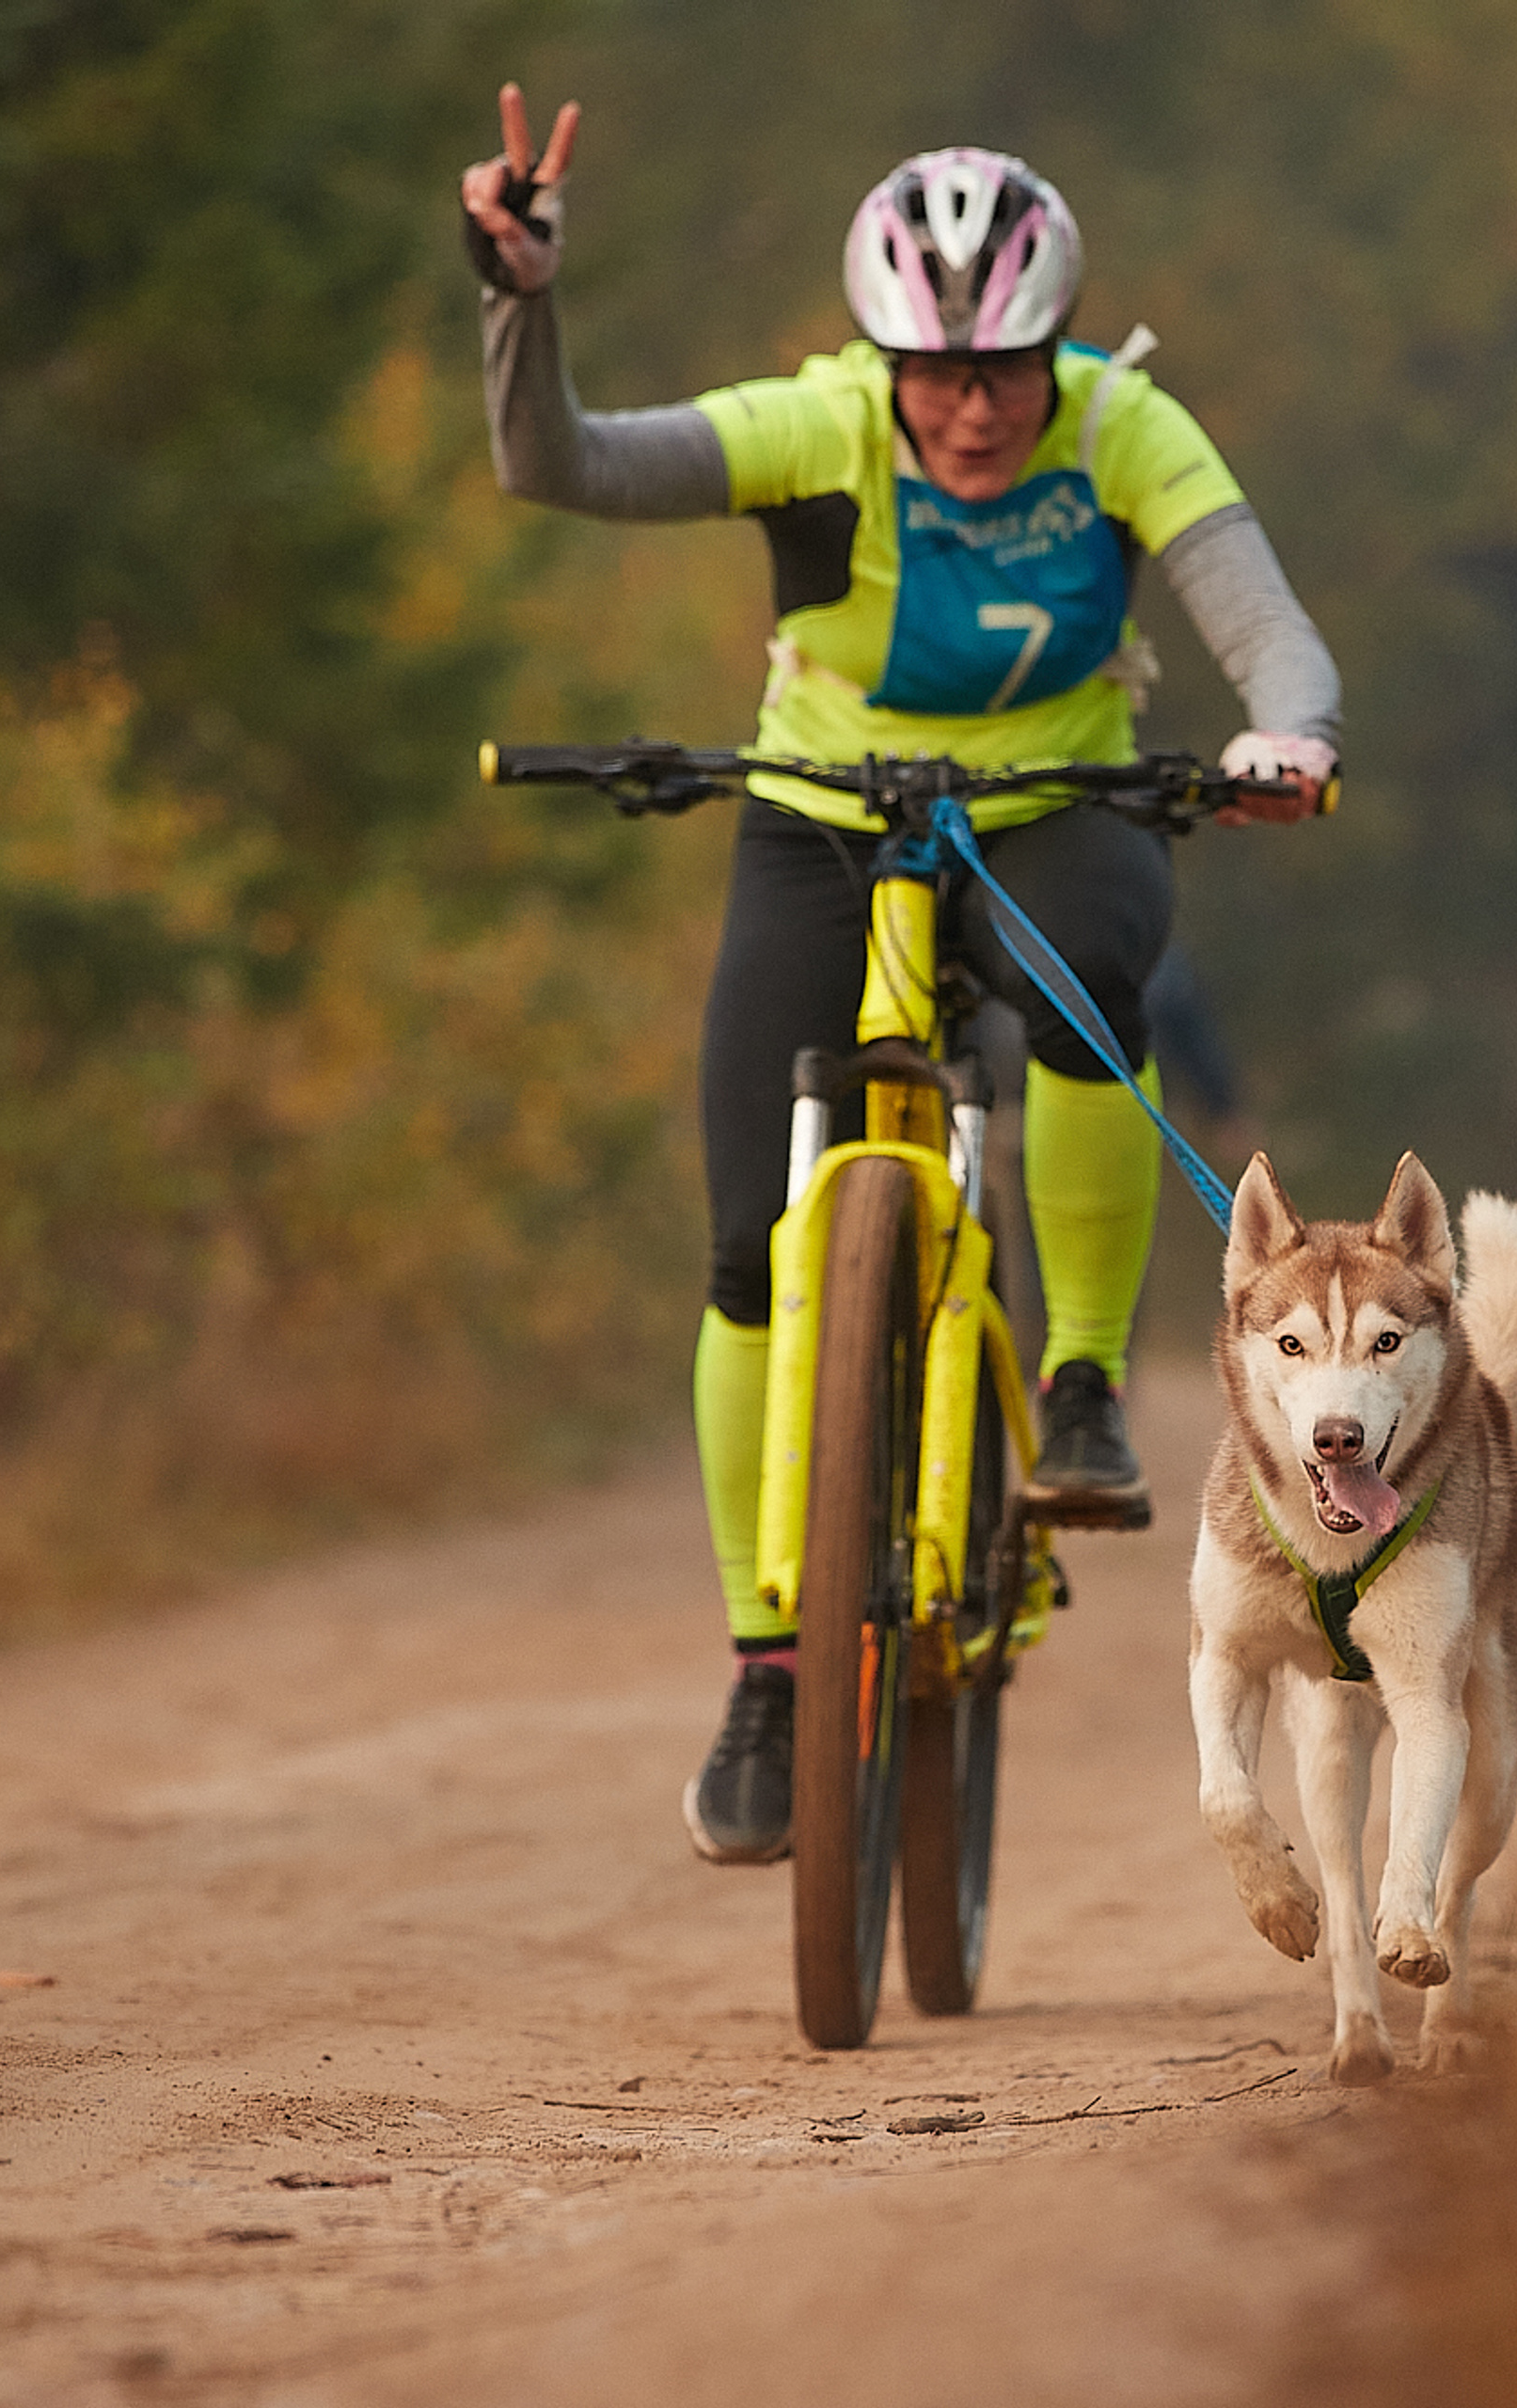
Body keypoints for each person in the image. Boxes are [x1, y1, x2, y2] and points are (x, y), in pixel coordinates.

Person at [460, 87, 1340, 1866]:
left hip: (1055, 795)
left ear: (1056, 348)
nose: (969, 408)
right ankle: (771, 1670)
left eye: (1004, 370)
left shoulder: (1124, 425)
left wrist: (1286, 736)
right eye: (933, 373)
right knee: (740, 1252)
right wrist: (522, 297)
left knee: (1101, 959)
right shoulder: (817, 425)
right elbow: (560, 464)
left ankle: (1083, 1379)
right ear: (878, 357)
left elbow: (1264, 625)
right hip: (820, 808)